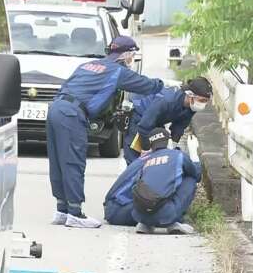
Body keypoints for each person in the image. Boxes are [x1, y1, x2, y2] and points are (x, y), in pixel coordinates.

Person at [47, 35, 165, 228]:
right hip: (71, 114)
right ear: (126, 54)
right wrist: (163, 84)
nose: (132, 59)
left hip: (55, 108)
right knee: (73, 162)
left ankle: (62, 209)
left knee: (58, 162)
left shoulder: (88, 65)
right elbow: (147, 86)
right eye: (132, 55)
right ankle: (75, 213)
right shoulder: (117, 71)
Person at [123, 76, 213, 165]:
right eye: (202, 100)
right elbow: (144, 126)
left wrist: (172, 146)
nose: (203, 104)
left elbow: (179, 127)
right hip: (140, 117)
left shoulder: (191, 106)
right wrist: (145, 149)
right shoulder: (167, 101)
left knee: (157, 158)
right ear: (190, 95)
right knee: (135, 161)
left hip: (157, 121)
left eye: (206, 101)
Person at [130, 127, 201, 234]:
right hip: (166, 214)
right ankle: (173, 222)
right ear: (168, 142)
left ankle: (145, 224)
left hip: (139, 214)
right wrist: (193, 152)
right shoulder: (178, 155)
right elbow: (197, 174)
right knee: (190, 179)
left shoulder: (145, 160)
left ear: (151, 145)